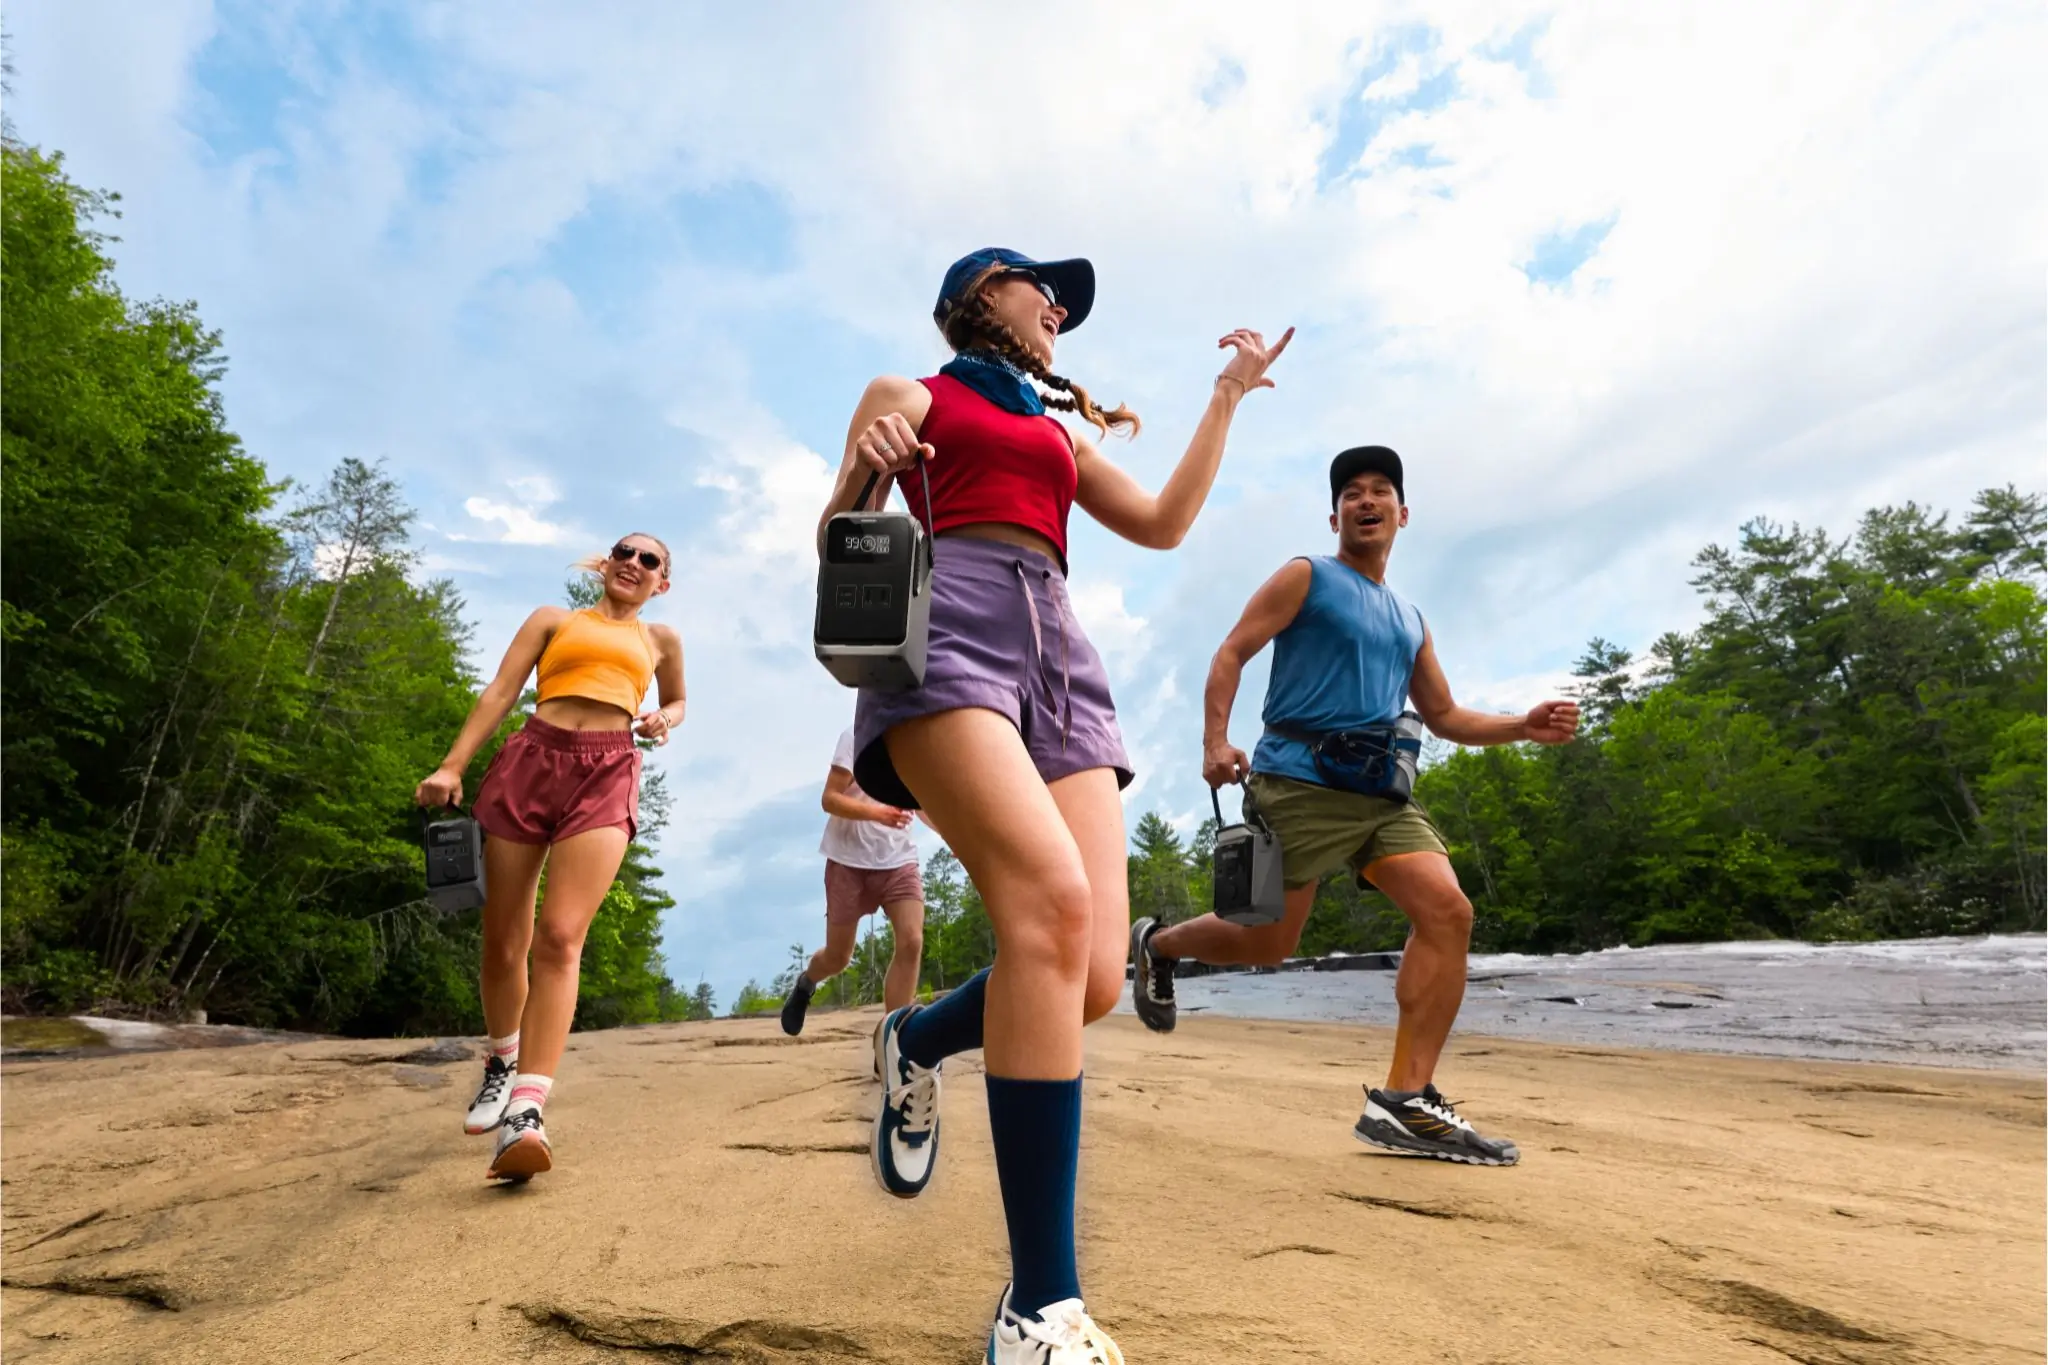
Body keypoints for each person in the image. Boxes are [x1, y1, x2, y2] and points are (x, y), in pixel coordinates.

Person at [817, 245, 1289, 1362]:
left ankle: (915, 1042)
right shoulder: (907, 393)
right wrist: (862, 476)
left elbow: (1167, 521)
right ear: (981, 295)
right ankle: (1039, 1307)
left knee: (1085, 979)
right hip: (948, 626)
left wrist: (1223, 399)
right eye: (1044, 289)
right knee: (1043, 901)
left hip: (1058, 649)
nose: (1060, 308)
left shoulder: (1053, 427)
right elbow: (837, 544)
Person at [1130, 447, 1580, 1167]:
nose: (1365, 500)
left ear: (1402, 514)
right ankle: (1160, 945)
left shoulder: (1410, 618)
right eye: (1351, 493)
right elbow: (1231, 651)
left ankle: (1407, 1099)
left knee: (1448, 911)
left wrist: (1521, 726)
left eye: (1380, 492)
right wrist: (1215, 740)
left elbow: (1446, 715)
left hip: (1380, 793)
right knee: (1270, 942)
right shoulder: (1308, 576)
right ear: (1335, 513)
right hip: (1299, 781)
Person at [413, 534, 685, 1182]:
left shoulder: (661, 640)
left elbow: (677, 699)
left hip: (608, 769)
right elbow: (502, 691)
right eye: (625, 550)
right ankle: (502, 1062)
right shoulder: (552, 620)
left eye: (650, 560)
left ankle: (528, 1109)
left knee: (562, 936)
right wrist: (453, 764)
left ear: (661, 583)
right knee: (505, 939)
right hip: (531, 759)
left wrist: (664, 717)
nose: (634, 563)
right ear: (605, 562)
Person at [780, 726, 927, 1036]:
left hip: (898, 859)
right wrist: (877, 814)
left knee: (911, 941)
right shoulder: (856, 738)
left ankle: (893, 1041)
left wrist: (956, 837)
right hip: (848, 862)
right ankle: (806, 983)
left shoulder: (914, 738)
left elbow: (924, 804)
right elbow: (830, 799)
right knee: (837, 957)